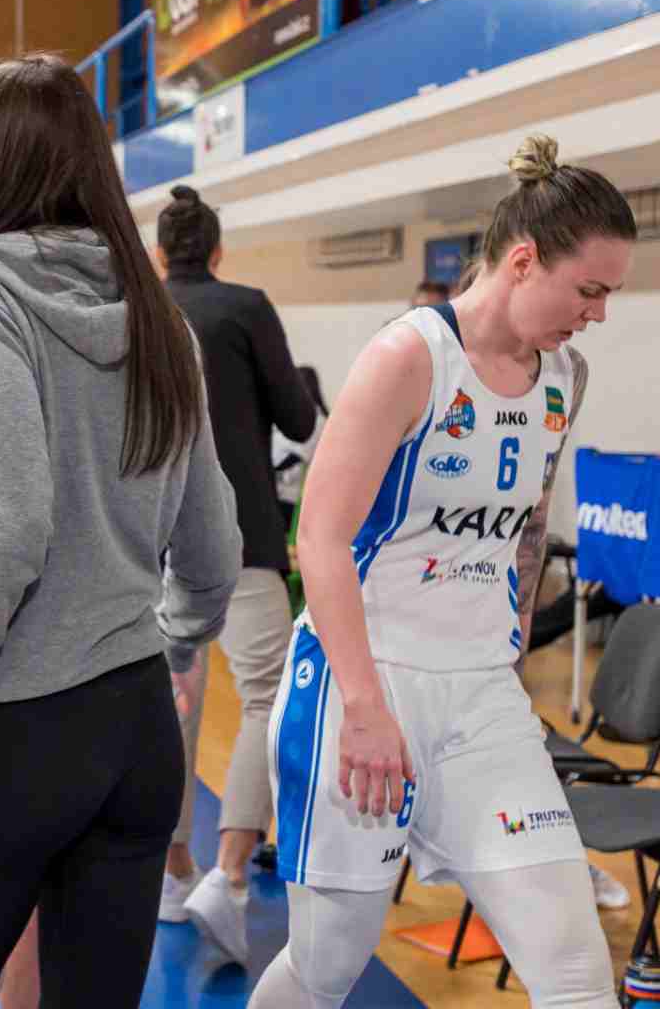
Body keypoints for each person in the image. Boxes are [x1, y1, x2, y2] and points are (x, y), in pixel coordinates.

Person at [0, 53, 241, 1008]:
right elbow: (213, 543)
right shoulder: (160, 315)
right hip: (136, 730)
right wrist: (172, 645)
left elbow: (6, 529)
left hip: (12, 727)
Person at [249, 134, 633, 1008]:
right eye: (590, 290)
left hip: (480, 698)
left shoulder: (564, 376)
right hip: (362, 686)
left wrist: (505, 656)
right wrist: (364, 708)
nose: (599, 313)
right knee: (326, 965)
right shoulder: (409, 357)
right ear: (524, 261)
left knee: (575, 969)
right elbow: (321, 539)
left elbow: (525, 529)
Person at [152, 184, 318, 966]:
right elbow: (299, 419)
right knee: (268, 696)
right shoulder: (246, 307)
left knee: (172, 704)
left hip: (150, 541)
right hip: (243, 532)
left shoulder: (134, 309)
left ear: (160, 254)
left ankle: (172, 874)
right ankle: (231, 875)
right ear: (217, 251)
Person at [275, 365, 330, 526]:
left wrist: (267, 468)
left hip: (293, 497)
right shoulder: (296, 418)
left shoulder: (316, 421)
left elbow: (296, 457)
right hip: (286, 491)